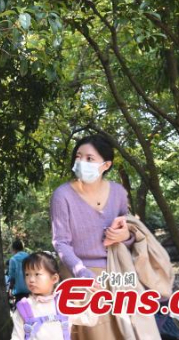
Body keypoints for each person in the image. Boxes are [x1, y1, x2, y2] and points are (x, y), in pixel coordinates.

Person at [50, 134, 134, 339]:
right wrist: (82, 272)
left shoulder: (118, 193)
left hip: (117, 275)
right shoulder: (62, 195)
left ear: (106, 165)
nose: (81, 162)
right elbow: (60, 241)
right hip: (80, 277)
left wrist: (125, 235)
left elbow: (131, 233)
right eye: (78, 156)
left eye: (89, 159)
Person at [11, 251, 97, 340]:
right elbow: (16, 337)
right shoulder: (23, 308)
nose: (31, 279)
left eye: (37, 274)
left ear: (54, 278)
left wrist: (96, 297)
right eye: (27, 274)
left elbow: (89, 320)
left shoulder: (63, 305)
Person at [8, 239, 31, 303]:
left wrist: (10, 289)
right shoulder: (29, 257)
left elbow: (12, 276)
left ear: (13, 248)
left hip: (19, 291)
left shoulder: (13, 259)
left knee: (20, 310)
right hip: (30, 289)